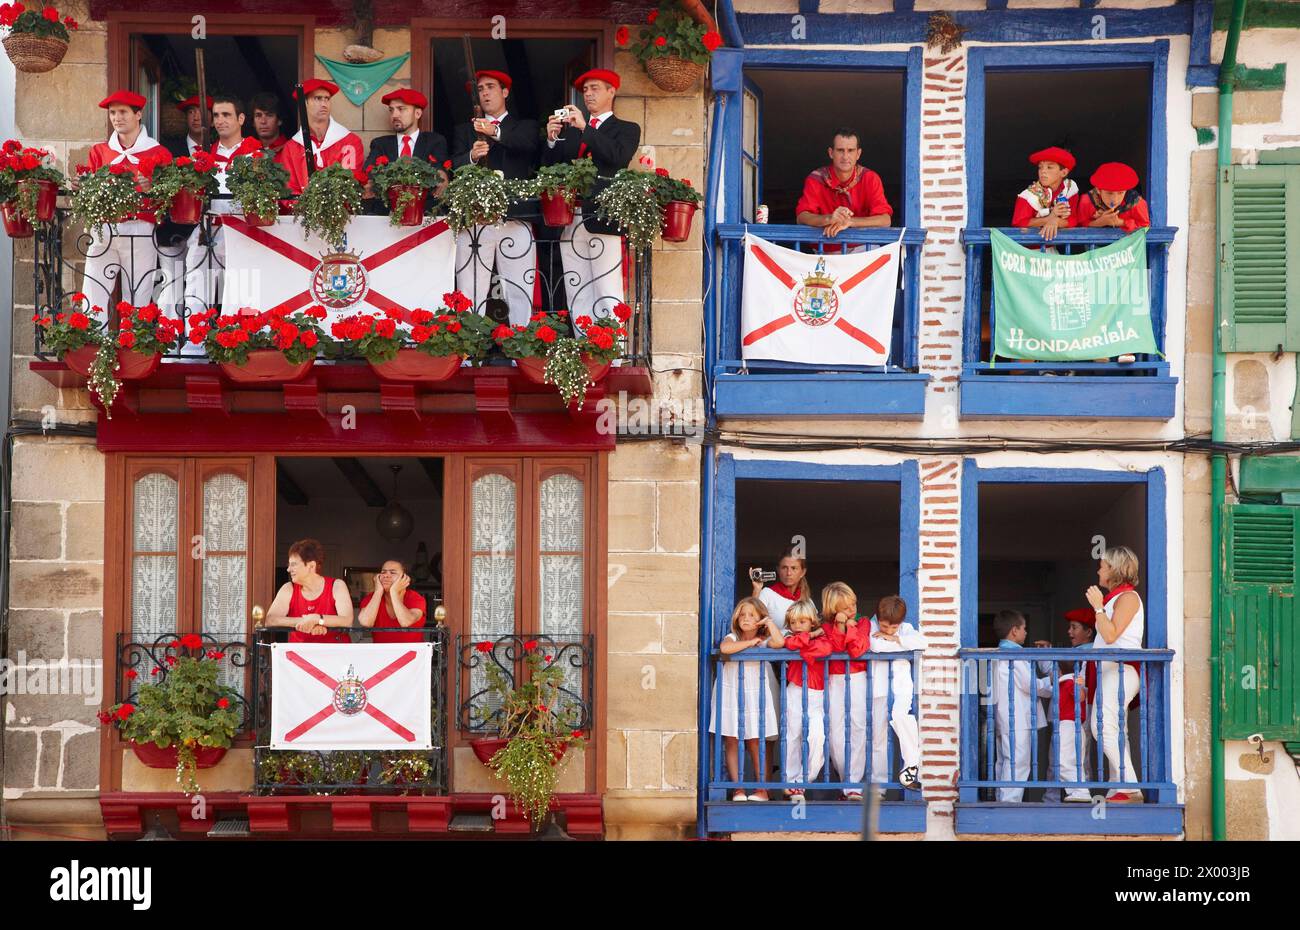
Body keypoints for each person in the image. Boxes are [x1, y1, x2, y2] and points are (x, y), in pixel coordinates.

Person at [545, 68, 640, 319]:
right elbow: (553, 169)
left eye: (594, 88)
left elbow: (617, 157)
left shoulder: (627, 128)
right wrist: (552, 140)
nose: (588, 94)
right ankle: (585, 349)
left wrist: (586, 127)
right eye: (585, 90)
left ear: (612, 91)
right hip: (569, 216)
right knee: (576, 290)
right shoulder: (574, 131)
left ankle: (615, 354)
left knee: (607, 287)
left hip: (602, 217)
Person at [450, 70, 539, 324]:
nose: (485, 92)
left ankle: (521, 348)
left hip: (515, 217)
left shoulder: (525, 126)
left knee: (520, 288)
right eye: (480, 89)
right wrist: (471, 157)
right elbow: (453, 166)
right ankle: (469, 349)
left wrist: (494, 132)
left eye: (490, 86)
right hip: (476, 219)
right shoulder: (464, 130)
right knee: (470, 287)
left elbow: (528, 146)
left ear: (505, 92)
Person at [79, 91, 173, 311]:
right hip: (104, 227)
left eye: (123, 112)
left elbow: (169, 199)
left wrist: (153, 190)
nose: (116, 117)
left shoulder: (158, 152)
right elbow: (91, 188)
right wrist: (81, 186)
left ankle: (133, 341)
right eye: (112, 112)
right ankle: (92, 338)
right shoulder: (99, 151)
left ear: (138, 114)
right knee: (94, 288)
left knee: (138, 291)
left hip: (140, 228)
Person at [182, 95, 263, 313]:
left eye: (226, 115)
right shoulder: (204, 155)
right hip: (207, 231)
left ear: (241, 118)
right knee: (196, 290)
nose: (220, 120)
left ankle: (236, 343)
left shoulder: (256, 155)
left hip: (242, 232)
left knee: (240, 295)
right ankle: (195, 344)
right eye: (216, 115)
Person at [1085, 545, 1145, 803]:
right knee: (1116, 730)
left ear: (1114, 570)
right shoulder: (1116, 599)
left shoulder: (1128, 598)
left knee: (1102, 727)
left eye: (1103, 565)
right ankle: (1118, 787)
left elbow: (1110, 635)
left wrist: (1097, 608)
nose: (1099, 570)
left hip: (1122, 671)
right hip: (1111, 673)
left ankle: (1130, 788)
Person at [711, 596, 784, 801]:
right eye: (742, 614)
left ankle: (762, 789)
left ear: (760, 618)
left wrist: (768, 623)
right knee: (732, 738)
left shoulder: (765, 639)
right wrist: (750, 642)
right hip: (732, 688)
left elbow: (780, 642)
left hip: (755, 691)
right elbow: (725, 649)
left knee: (755, 739)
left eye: (752, 615)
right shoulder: (733, 636)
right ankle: (738, 788)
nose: (746, 618)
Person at [860, 595, 925, 792]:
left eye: (893, 628)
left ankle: (911, 768)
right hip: (878, 688)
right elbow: (876, 645)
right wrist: (902, 644)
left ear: (901, 623)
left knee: (901, 717)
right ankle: (879, 787)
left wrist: (896, 638)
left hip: (901, 687)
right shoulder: (870, 626)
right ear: (877, 618)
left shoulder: (905, 629)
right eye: (885, 627)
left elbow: (922, 642)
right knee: (878, 738)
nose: (887, 631)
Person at [991, 609, 1052, 803]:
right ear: (1014, 630)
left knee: (1004, 761)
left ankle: (1002, 799)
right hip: (1017, 715)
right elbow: (1030, 685)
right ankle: (1009, 803)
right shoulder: (1014, 656)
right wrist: (1053, 684)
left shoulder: (998, 654)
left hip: (1005, 715)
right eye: (1024, 628)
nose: (1026, 632)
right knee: (1018, 761)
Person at [795, 128, 892, 247]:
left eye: (850, 150)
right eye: (840, 150)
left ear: (858, 154)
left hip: (863, 251)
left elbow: (885, 220)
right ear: (831, 153)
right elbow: (801, 217)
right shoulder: (816, 179)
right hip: (824, 251)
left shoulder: (870, 178)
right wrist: (829, 219)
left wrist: (849, 222)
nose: (845, 156)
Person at [819, 581, 869, 799]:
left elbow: (857, 650)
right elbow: (836, 648)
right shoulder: (825, 627)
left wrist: (850, 626)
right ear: (833, 610)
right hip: (832, 681)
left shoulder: (864, 622)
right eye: (846, 607)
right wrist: (840, 628)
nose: (852, 610)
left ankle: (853, 783)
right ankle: (846, 778)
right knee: (835, 731)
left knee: (858, 728)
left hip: (858, 678)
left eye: (854, 604)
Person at [780, 598, 832, 797]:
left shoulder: (822, 637)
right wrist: (808, 638)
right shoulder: (795, 636)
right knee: (792, 736)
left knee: (817, 736)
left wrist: (803, 648)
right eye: (793, 622)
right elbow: (788, 643)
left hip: (817, 694)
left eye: (802, 622)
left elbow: (825, 649)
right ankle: (789, 781)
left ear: (812, 621)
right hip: (795, 689)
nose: (796, 626)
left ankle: (804, 778)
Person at [277, 79, 364, 195]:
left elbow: (351, 186)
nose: (324, 104)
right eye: (317, 98)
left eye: (327, 99)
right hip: (303, 212)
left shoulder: (350, 141)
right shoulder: (291, 148)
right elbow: (289, 190)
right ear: (304, 103)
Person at [264, 538, 354, 643]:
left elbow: (347, 621)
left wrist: (318, 619)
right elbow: (270, 620)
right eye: (289, 564)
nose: (288, 569)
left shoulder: (337, 586)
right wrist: (307, 622)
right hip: (299, 656)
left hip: (334, 655)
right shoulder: (288, 588)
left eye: (293, 564)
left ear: (311, 566)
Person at [1055, 607, 1097, 802]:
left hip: (1084, 711)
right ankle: (1079, 791)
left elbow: (1082, 692)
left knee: (1077, 755)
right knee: (1074, 756)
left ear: (1088, 632)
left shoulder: (1091, 656)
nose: (1069, 632)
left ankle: (1081, 791)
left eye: (1074, 627)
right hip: (1075, 715)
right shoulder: (1075, 658)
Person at [1012, 146, 1079, 242]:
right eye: (1040, 167)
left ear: (1063, 172)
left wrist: (1056, 221)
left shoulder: (1069, 188)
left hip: (1051, 247)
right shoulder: (1028, 196)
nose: (1043, 171)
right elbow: (1019, 223)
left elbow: (1073, 220)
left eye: (1049, 167)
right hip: (1027, 251)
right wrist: (1049, 219)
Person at [357, 559, 427, 643]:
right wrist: (378, 591)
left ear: (404, 578)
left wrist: (393, 592)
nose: (386, 575)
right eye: (383, 572)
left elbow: (406, 622)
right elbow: (365, 622)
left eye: (392, 572)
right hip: (382, 654)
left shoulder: (415, 598)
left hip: (412, 654)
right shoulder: (371, 598)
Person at [1074, 162, 1151, 232]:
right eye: (1109, 193)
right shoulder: (1087, 200)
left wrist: (1121, 222)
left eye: (1120, 193)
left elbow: (1145, 227)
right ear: (1098, 190)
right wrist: (1100, 222)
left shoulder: (1136, 202)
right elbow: (1079, 225)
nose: (1114, 199)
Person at [749, 545, 812, 630]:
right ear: (778, 570)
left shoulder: (808, 600)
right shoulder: (767, 593)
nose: (789, 573)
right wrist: (756, 590)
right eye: (784, 568)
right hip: (774, 643)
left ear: (803, 572)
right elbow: (750, 620)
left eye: (794, 568)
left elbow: (818, 628)